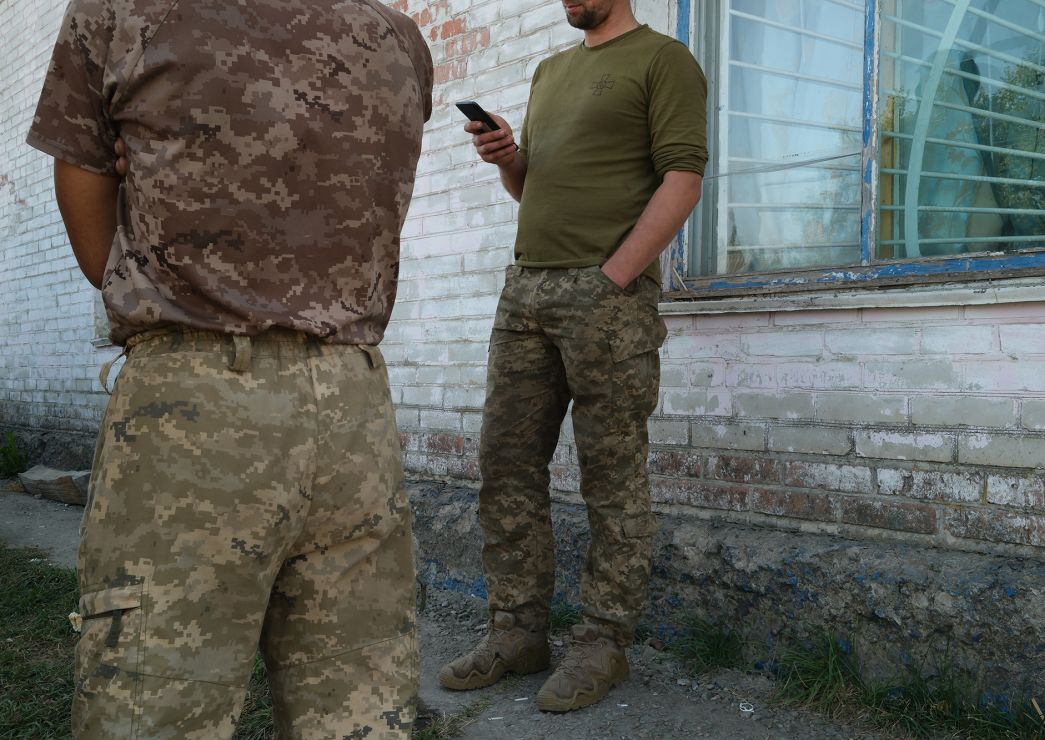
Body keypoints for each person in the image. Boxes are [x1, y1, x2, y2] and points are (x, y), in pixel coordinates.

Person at [27, 1, 432, 737]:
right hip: (354, 410)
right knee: (358, 703)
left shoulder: (121, 12)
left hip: (192, 405)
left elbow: (92, 224)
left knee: (155, 701)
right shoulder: (397, 36)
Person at [437, 0, 708, 713]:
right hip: (524, 292)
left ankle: (602, 644)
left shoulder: (663, 60)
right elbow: (534, 189)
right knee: (506, 464)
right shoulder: (550, 70)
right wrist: (508, 159)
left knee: (612, 476)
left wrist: (613, 277)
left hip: (606, 302)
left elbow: (684, 178)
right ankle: (518, 631)